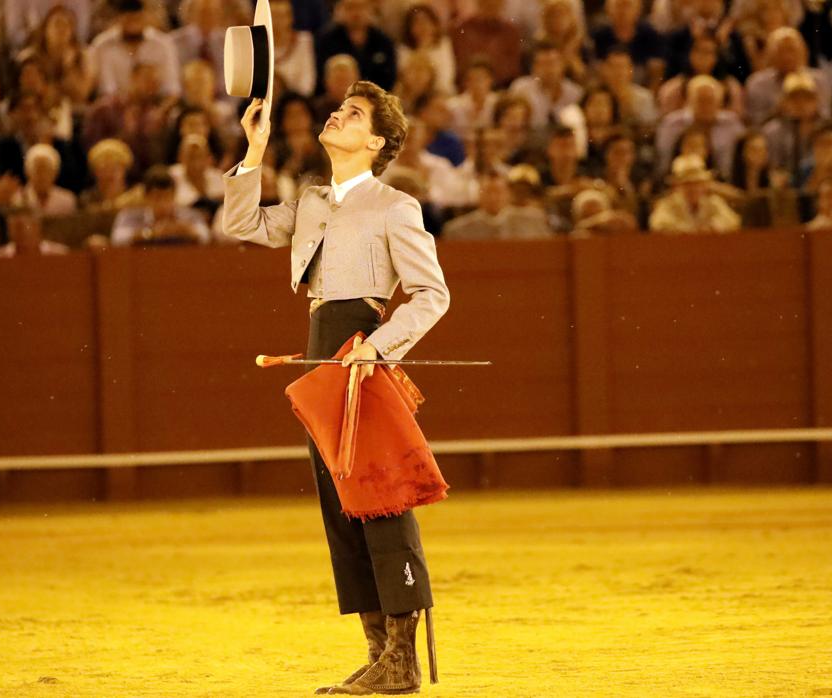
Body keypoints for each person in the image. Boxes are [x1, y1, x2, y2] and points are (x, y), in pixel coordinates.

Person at [222, 81, 449, 695]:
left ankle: (402, 659)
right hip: (324, 350)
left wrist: (377, 346)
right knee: (341, 502)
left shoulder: (394, 206)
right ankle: (380, 655)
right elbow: (239, 221)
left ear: (374, 142)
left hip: (362, 347)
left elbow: (433, 295)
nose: (336, 115)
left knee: (380, 495)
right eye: (339, 108)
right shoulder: (312, 200)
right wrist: (255, 149)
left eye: (352, 114)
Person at [110, 166, 209, 246]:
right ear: (146, 197)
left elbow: (206, 236)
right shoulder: (129, 215)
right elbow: (117, 238)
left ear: (174, 195)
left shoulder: (189, 215)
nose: (163, 203)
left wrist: (185, 230)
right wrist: (150, 233)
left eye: (167, 197)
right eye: (157, 197)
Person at [441, 169, 551, 240]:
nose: (493, 198)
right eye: (488, 191)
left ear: (509, 194)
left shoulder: (533, 221)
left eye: (498, 192)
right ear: (479, 195)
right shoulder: (458, 231)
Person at [649, 153, 742, 233]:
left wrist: (714, 226)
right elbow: (657, 224)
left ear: (704, 185)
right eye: (687, 184)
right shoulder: (667, 204)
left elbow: (734, 221)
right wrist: (689, 230)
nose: (693, 188)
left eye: (697, 183)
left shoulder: (713, 202)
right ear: (677, 187)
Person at [0, 206, 70, 256]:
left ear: (37, 227)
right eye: (13, 227)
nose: (20, 232)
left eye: (21, 227)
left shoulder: (59, 254)